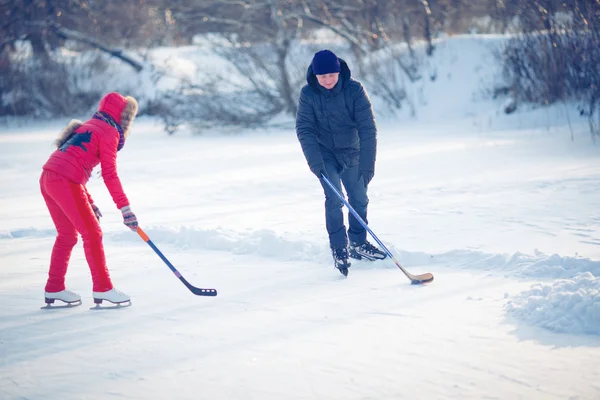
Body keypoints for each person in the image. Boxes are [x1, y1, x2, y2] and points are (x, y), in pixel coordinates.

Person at [40, 92, 139, 306]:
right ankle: (103, 288)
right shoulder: (110, 132)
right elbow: (110, 174)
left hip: (48, 178)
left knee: (67, 235)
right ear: (123, 117)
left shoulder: (88, 125)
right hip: (65, 181)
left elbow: (72, 164)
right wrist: (125, 209)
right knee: (92, 233)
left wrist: (89, 202)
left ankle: (54, 287)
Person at [295, 49, 387, 274]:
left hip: (352, 152)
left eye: (331, 75)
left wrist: (367, 163)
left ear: (339, 72)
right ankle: (339, 248)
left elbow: (367, 128)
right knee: (335, 198)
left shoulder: (354, 90)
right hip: (325, 155)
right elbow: (304, 129)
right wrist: (315, 162)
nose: (327, 80)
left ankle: (358, 242)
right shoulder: (308, 94)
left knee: (359, 198)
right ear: (315, 76)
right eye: (322, 76)